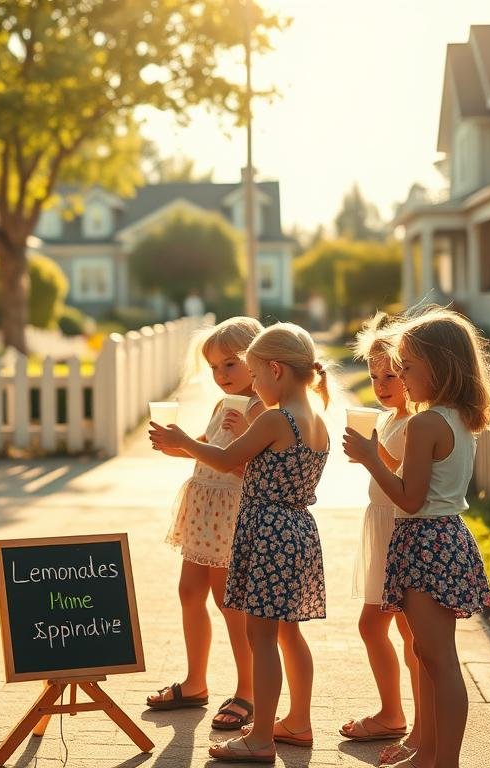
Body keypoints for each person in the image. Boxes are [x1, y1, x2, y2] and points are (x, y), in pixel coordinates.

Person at [150, 322, 332, 763]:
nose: (252, 383)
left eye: (253, 372)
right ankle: (298, 723)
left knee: (262, 637)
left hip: (267, 533)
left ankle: (261, 738)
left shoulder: (274, 417)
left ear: (274, 370)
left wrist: (183, 441)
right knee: (290, 635)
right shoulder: (316, 420)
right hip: (298, 531)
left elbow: (231, 459)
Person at [342, 307, 490, 768]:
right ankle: (427, 753)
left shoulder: (425, 424)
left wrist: (372, 458)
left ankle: (443, 761)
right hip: (446, 538)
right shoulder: (457, 418)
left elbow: (410, 500)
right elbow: (424, 488)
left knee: (439, 661)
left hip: (425, 542)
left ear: (441, 365)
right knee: (427, 653)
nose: (401, 377)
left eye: (408, 367)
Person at [146, 317, 262, 730]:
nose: (221, 375)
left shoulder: (260, 409)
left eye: (230, 364)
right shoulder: (221, 405)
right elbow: (210, 451)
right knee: (189, 592)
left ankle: (247, 690)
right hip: (204, 514)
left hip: (232, 516)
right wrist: (178, 447)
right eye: (214, 368)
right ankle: (196, 681)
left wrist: (239, 432)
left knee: (229, 602)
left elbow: (249, 470)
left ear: (259, 361)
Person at [339, 313, 422, 766]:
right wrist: (371, 451)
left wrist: (374, 455)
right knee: (374, 625)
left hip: (401, 531)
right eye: (374, 376)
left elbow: (405, 478)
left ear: (412, 372)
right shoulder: (390, 417)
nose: (382, 383)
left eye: (392, 374)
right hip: (382, 529)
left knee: (411, 633)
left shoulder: (417, 423)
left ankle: (414, 722)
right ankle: (393, 711)